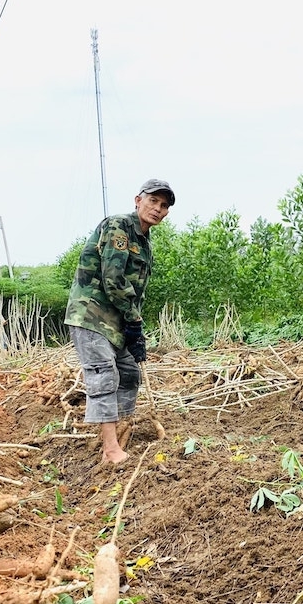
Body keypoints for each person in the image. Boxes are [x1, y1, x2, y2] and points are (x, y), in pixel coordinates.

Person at [64, 179, 175, 464]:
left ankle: (120, 428)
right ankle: (110, 449)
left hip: (116, 321)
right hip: (92, 315)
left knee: (129, 373)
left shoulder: (144, 240)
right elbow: (113, 279)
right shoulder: (119, 227)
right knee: (104, 376)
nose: (158, 209)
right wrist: (134, 320)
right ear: (138, 200)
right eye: (153, 201)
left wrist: (134, 329)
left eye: (164, 206)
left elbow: (136, 290)